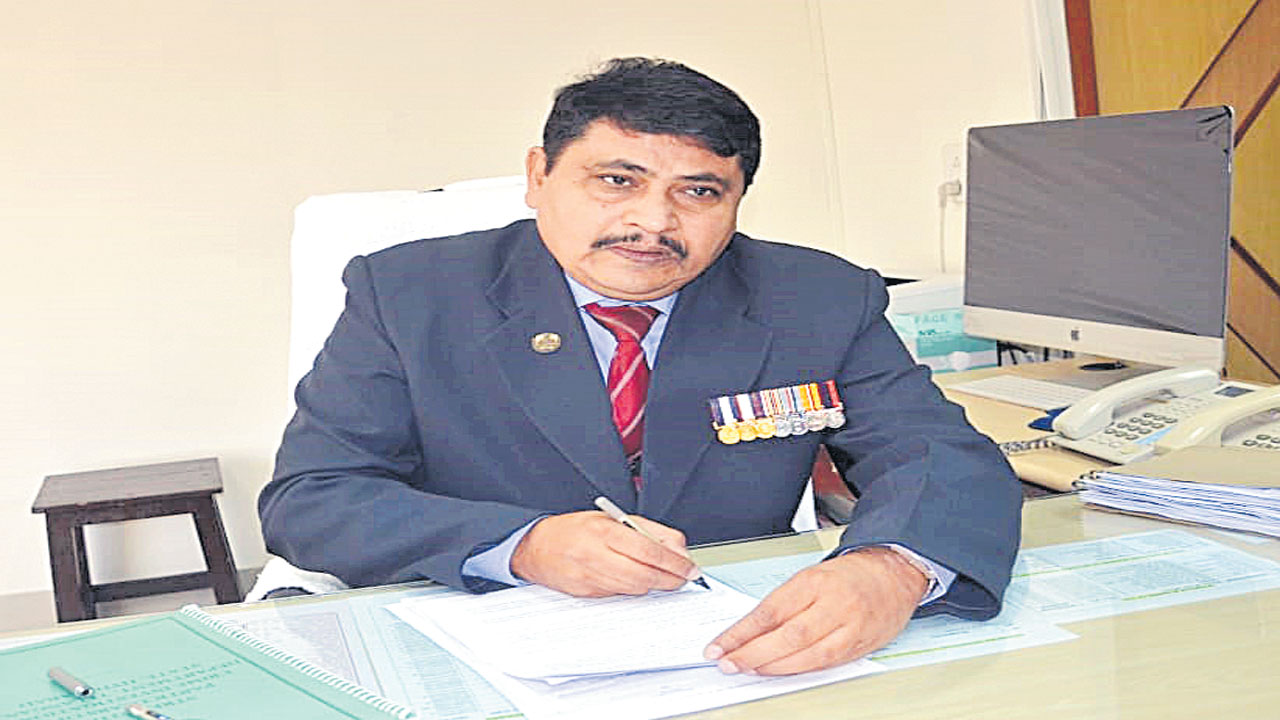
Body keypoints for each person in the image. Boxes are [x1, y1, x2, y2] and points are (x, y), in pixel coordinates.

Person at [259, 57, 1021, 676]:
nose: (653, 222)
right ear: (539, 176)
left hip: (732, 656)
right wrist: (522, 545)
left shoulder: (817, 298)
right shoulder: (409, 294)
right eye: (617, 180)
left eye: (699, 192)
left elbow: (941, 455)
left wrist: (891, 568)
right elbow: (314, 498)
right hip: (476, 647)